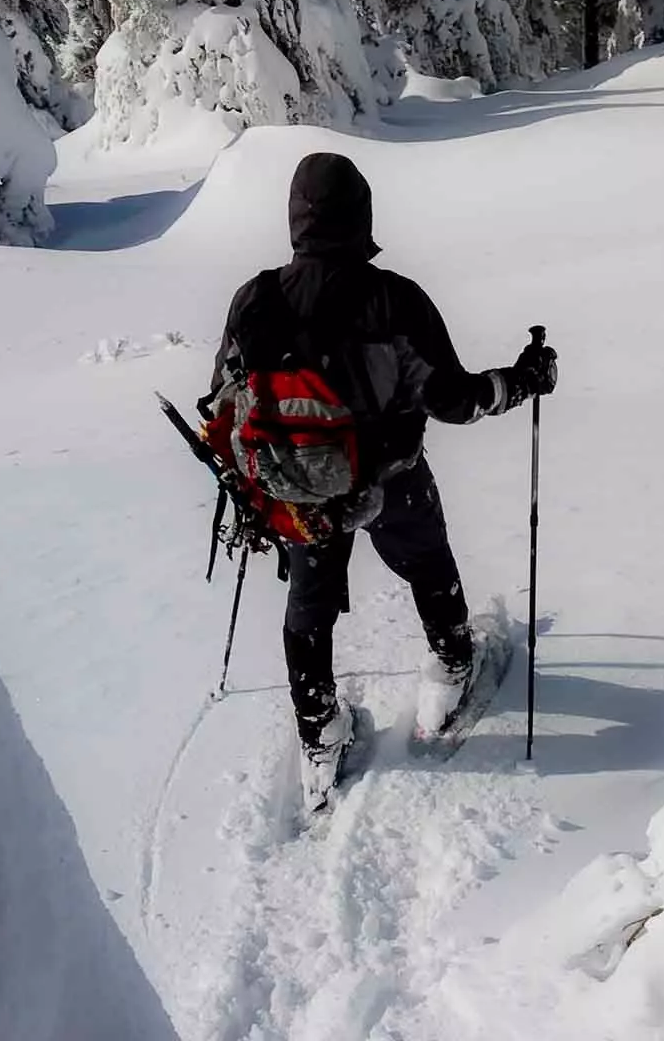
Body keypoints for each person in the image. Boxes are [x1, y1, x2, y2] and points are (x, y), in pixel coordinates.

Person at [206, 151, 557, 805]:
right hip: (390, 479)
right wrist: (523, 380)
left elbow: (226, 397)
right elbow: (454, 400)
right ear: (361, 214)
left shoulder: (253, 300)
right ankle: (453, 663)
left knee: (308, 602)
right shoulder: (394, 300)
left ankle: (319, 730)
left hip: (295, 494)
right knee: (428, 562)